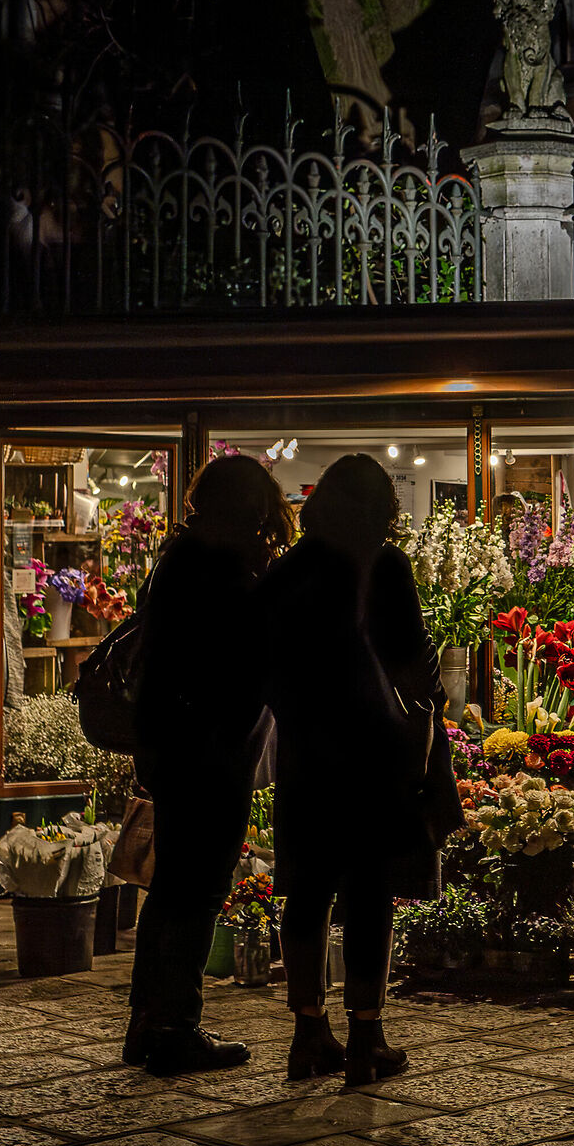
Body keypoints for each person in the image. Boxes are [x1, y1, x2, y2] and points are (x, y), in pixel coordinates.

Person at [259, 454, 458, 1085]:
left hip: (306, 757)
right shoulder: (383, 563)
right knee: (368, 892)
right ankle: (366, 1035)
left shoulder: (287, 569)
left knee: (308, 890)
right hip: (375, 757)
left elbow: (262, 662)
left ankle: (307, 1032)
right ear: (380, 509)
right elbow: (410, 661)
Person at [120, 453, 291, 1076]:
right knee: (198, 886)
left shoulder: (179, 560)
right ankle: (174, 1028)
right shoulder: (229, 572)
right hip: (212, 748)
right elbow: (245, 667)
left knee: (172, 886)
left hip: (172, 742)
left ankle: (149, 1020)